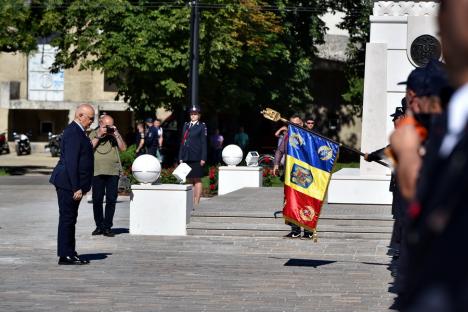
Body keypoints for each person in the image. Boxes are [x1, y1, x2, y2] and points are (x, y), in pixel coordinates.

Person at [49, 103, 95, 265]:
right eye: (90, 118)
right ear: (80, 115)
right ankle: (65, 255)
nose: (92, 122)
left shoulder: (79, 131)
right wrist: (76, 187)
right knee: (68, 218)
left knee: (70, 218)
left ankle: (69, 251)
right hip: (68, 183)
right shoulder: (73, 132)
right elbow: (71, 162)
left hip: (71, 182)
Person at [273, 114, 313, 239]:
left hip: (305, 175)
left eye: (297, 123)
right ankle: (295, 230)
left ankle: (308, 232)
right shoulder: (288, 135)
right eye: (292, 124)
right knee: (291, 202)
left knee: (305, 202)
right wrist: (276, 164)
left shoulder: (309, 136)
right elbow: (280, 150)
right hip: (290, 174)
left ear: (301, 124)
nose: (295, 126)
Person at [89, 114, 127, 237]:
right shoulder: (93, 133)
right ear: (100, 124)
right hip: (97, 171)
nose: (109, 128)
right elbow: (88, 148)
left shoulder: (114, 136)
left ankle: (107, 227)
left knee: (111, 200)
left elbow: (123, 149)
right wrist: (99, 135)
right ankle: (99, 226)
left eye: (111, 125)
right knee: (97, 200)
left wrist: (116, 134)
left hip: (113, 171)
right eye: (106, 125)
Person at [178, 106, 207, 205]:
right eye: (191, 114)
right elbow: (183, 142)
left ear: (199, 115)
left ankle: (197, 202)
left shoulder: (201, 126)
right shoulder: (186, 125)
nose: (193, 116)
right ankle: (190, 201)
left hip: (197, 156)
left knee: (197, 179)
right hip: (187, 156)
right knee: (190, 179)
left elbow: (204, 143)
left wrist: (203, 157)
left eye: (195, 114)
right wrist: (180, 156)